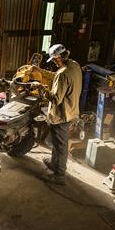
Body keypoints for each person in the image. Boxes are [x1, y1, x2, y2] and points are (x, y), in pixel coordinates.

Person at [43, 44, 82, 185]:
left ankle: (59, 174)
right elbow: (63, 81)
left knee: (60, 145)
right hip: (72, 110)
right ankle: (54, 163)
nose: (53, 62)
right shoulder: (75, 65)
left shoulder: (62, 74)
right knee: (57, 141)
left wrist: (41, 89)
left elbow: (55, 98)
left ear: (59, 58)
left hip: (61, 115)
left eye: (54, 60)